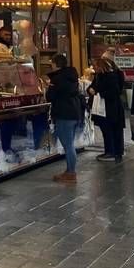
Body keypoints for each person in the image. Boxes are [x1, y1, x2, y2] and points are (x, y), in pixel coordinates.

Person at [46, 53, 81, 183]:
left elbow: (49, 96)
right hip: (74, 111)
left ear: (55, 64)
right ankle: (69, 171)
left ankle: (71, 173)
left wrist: (50, 87)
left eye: (52, 63)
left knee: (68, 145)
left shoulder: (57, 78)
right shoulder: (72, 75)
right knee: (70, 144)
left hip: (64, 113)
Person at [90, 55, 126, 162]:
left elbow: (115, 91)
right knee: (107, 130)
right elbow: (92, 87)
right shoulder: (98, 76)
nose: (94, 68)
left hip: (111, 108)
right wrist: (90, 90)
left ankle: (113, 152)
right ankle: (111, 151)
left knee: (112, 130)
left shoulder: (111, 76)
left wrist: (99, 93)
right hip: (102, 108)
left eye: (95, 66)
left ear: (101, 66)